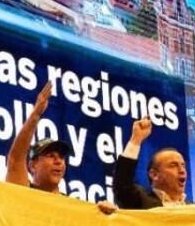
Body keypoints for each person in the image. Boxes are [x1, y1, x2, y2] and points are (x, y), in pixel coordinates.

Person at [6, 81, 116, 213]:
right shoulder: (23, 192)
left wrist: (107, 215)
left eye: (62, 157)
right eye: (50, 156)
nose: (58, 162)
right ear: (33, 165)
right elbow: (15, 159)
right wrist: (35, 115)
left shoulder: (73, 208)